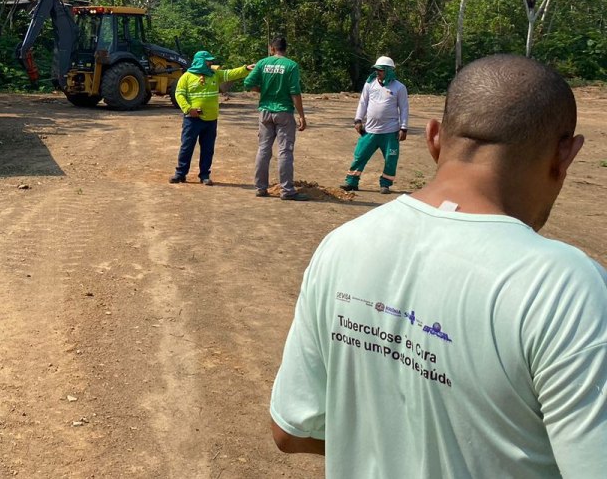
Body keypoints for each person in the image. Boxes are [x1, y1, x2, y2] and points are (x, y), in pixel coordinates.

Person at [270, 54, 607, 477]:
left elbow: (290, 430)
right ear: (567, 154)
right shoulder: (565, 289)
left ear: (434, 139)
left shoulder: (342, 246)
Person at [170, 51, 254, 185]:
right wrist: (188, 109)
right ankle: (180, 174)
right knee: (187, 147)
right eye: (207, 61)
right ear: (199, 62)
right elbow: (179, 94)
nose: (210, 63)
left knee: (208, 149)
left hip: (210, 119)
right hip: (192, 120)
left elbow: (230, 73)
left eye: (210, 61)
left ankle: (204, 175)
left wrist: (245, 69)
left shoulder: (215, 74)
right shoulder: (186, 76)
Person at [243, 36, 308, 200]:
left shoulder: (263, 63)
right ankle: (287, 190)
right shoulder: (291, 66)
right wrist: (301, 115)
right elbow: (295, 92)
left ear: (271, 48)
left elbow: (247, 83)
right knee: (285, 151)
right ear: (285, 49)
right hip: (284, 112)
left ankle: (260, 188)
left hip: (265, 112)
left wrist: (262, 90)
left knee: (264, 149)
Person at [343, 55, 409, 194]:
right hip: (370, 130)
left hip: (390, 131)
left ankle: (385, 184)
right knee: (360, 155)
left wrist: (403, 127)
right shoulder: (369, 84)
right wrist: (358, 120)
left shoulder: (399, 88)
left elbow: (404, 108)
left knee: (391, 159)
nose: (377, 72)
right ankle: (351, 182)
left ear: (389, 71)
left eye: (381, 70)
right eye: (377, 69)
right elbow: (363, 103)